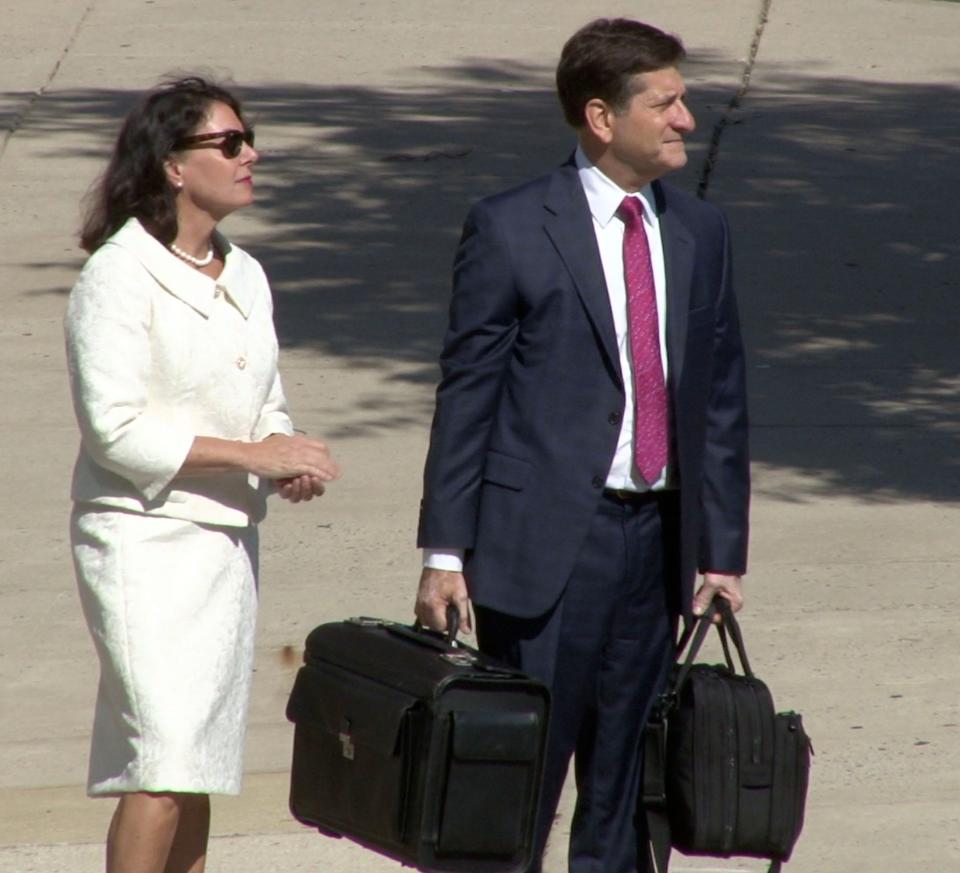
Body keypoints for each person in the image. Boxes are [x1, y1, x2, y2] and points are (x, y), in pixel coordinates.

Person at [414, 18, 750, 873]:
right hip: (547, 548)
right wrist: (445, 551)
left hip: (659, 544)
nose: (687, 119)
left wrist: (721, 550)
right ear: (602, 117)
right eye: (667, 102)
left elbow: (717, 398)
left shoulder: (700, 230)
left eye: (685, 100)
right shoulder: (513, 226)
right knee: (516, 788)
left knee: (628, 790)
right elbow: (468, 394)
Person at [65, 76, 340, 873]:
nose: (249, 153)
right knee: (161, 757)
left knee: (196, 765)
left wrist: (284, 453)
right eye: (228, 142)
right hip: (141, 542)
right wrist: (255, 456)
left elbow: (265, 403)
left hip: (224, 546)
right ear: (173, 167)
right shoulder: (116, 277)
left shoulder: (244, 273)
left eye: (247, 137)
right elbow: (115, 429)